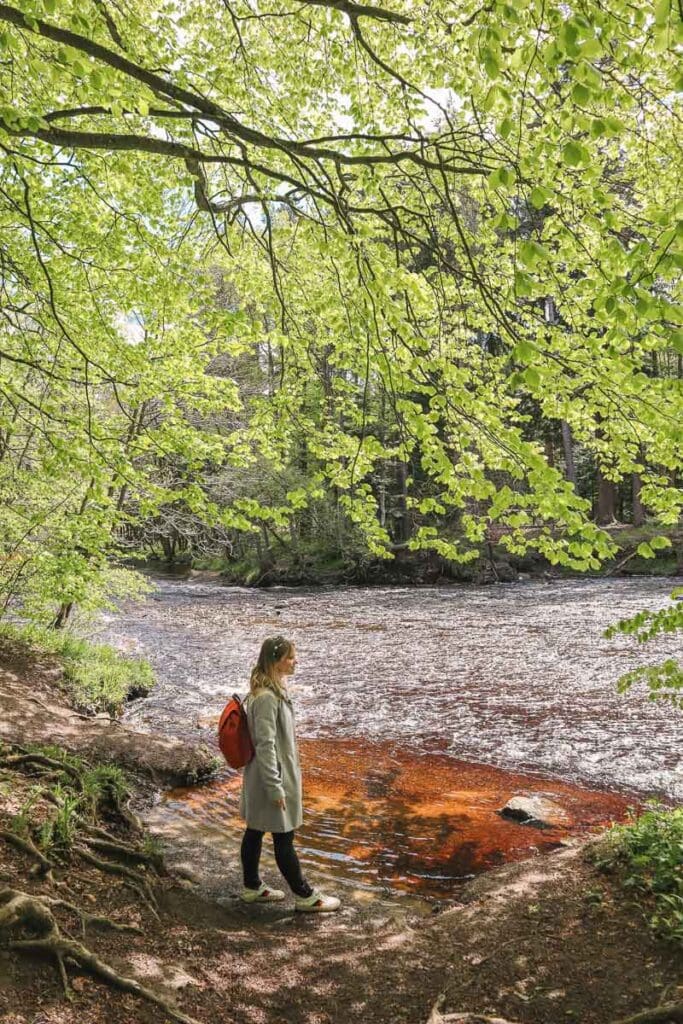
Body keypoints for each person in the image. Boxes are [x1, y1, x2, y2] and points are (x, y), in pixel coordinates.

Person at [239, 635, 340, 912]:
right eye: (291, 657)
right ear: (276, 661)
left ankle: (251, 887)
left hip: (267, 775)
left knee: (255, 831)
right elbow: (265, 745)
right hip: (270, 777)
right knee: (283, 837)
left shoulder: (272, 690)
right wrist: (275, 787)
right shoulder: (266, 698)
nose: (296, 661)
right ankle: (305, 896)